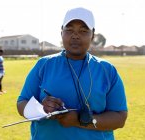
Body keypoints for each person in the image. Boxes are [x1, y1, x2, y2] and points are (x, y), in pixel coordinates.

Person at [17, 7, 128, 140]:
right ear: (61, 32)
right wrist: (42, 109)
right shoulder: (44, 65)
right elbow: (22, 103)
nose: (75, 35)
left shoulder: (107, 70)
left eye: (83, 30)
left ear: (92, 35)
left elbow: (120, 118)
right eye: (69, 30)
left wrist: (81, 121)